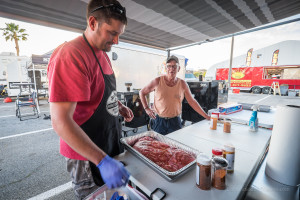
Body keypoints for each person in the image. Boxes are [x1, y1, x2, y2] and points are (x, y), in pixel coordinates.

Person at [47, 0, 133, 199]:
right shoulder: (71, 55)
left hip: (108, 143)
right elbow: (60, 121)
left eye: (120, 34)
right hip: (87, 157)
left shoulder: (102, 54)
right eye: (112, 33)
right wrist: (102, 161)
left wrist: (118, 106)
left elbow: (94, 95)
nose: (117, 41)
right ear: (93, 23)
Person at [139, 55, 210, 135]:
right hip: (159, 121)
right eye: (169, 66)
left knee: (174, 145)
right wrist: (146, 108)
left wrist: (206, 116)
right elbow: (142, 92)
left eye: (174, 66)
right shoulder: (157, 81)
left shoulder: (183, 84)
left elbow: (192, 102)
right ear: (165, 68)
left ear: (178, 68)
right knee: (158, 145)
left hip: (175, 122)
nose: (171, 69)